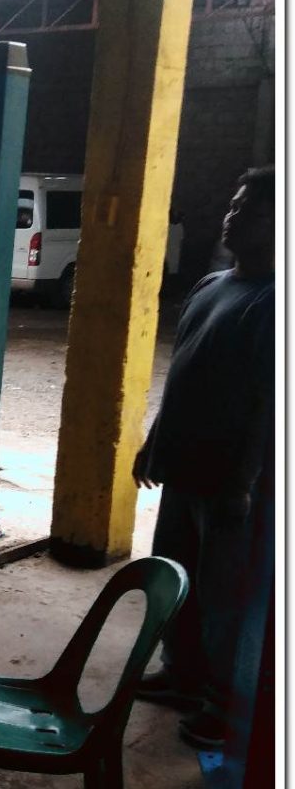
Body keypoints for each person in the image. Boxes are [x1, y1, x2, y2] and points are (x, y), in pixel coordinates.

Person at [132, 166, 275, 751]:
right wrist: (154, 441)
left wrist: (243, 484)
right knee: (178, 579)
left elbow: (267, 404)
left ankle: (225, 707)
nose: (232, 216)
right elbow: (183, 374)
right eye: (234, 205)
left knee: (227, 598)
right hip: (183, 470)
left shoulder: (274, 301)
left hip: (228, 483)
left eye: (250, 210)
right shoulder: (212, 284)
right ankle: (181, 674)